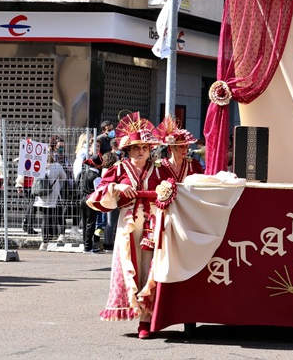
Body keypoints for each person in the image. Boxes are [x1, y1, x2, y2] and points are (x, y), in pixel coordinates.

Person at [86, 112, 162, 339]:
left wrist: (161, 192)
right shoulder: (118, 169)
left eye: (145, 148)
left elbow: (172, 188)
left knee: (151, 267)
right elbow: (97, 194)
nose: (141, 151)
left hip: (154, 222)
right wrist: (117, 189)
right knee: (130, 264)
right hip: (127, 223)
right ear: (128, 150)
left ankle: (146, 321)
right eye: (136, 148)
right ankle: (134, 311)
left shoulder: (159, 168)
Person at [154, 116, 204, 183]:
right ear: (171, 147)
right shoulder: (160, 166)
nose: (185, 150)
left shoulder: (193, 164)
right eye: (181, 147)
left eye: (186, 147)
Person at [36, 152, 67, 251]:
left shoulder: (37, 166)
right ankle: (61, 235)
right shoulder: (57, 166)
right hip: (54, 196)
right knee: (60, 215)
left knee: (45, 219)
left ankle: (44, 242)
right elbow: (64, 177)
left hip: (41, 197)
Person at [80, 154, 104, 253]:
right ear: (97, 165)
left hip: (83, 199)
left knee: (85, 223)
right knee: (91, 223)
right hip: (91, 200)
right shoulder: (96, 176)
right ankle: (88, 246)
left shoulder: (86, 173)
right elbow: (98, 190)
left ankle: (86, 244)